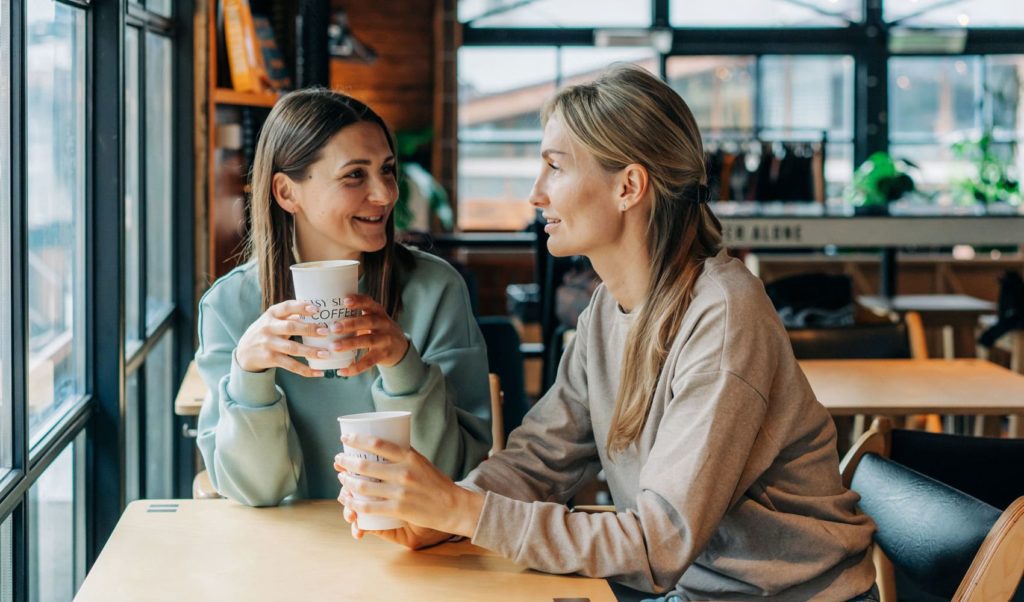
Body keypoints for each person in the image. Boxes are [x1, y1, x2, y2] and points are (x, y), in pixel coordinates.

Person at [333, 66, 878, 600]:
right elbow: (540, 457)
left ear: (629, 186)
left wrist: (461, 511)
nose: (536, 194)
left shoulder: (723, 316)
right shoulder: (606, 310)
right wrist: (441, 514)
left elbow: (657, 546)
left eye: (555, 167)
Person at [195, 88, 491, 507]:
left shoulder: (435, 289)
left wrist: (402, 364)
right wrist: (250, 376)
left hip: (412, 550)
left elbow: (451, 475)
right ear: (286, 192)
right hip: (284, 555)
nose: (386, 194)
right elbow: (256, 493)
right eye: (355, 175)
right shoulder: (229, 306)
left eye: (387, 170)